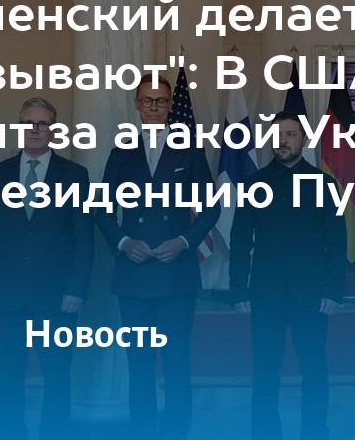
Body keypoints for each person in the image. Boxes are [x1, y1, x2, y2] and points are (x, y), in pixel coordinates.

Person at [95, 78, 218, 440]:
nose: (153, 107)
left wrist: (184, 241)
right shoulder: (121, 152)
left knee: (177, 363)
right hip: (133, 274)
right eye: (147, 100)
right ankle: (143, 432)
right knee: (139, 365)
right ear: (136, 104)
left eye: (160, 101)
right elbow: (101, 207)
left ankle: (177, 433)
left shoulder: (190, 150)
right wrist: (122, 242)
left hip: (176, 273)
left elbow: (211, 207)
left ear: (169, 105)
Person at [0, 97, 93, 440]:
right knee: (7, 379)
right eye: (29, 123)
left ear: (54, 130)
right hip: (6, 299)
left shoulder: (76, 175)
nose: (35, 130)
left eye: (42, 124)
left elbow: (83, 238)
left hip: (57, 299)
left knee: (57, 379)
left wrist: (77, 288)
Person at [229, 110, 346, 440]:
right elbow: (240, 240)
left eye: (290, 134)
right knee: (265, 371)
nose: (282, 141)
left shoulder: (324, 184)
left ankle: (315, 433)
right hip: (264, 295)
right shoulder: (253, 184)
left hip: (312, 295)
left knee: (314, 370)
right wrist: (238, 289)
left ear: (304, 140)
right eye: (277, 135)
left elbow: (337, 241)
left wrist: (333, 290)